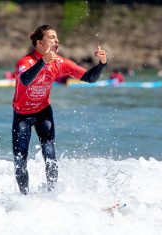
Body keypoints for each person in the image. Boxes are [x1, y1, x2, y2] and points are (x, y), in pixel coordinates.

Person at [12, 25, 107, 195]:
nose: (57, 40)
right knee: (20, 161)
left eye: (57, 37)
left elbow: (90, 78)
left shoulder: (60, 63)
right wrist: (43, 62)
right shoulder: (25, 62)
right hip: (22, 116)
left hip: (43, 113)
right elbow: (25, 79)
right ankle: (24, 199)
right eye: (52, 37)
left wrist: (102, 63)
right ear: (40, 43)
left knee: (50, 157)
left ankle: (52, 196)